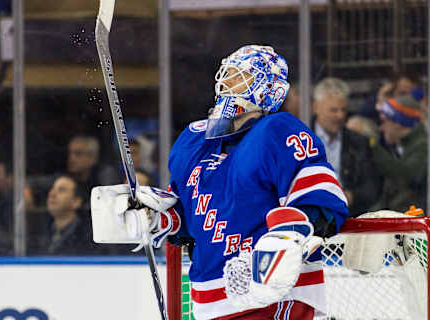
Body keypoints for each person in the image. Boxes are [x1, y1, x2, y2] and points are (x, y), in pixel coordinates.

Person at [97, 45, 349, 319]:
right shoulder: (194, 140)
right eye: (227, 73)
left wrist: (287, 240)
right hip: (209, 300)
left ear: (270, 90)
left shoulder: (277, 130)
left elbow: (322, 201)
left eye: (241, 75)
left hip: (273, 297)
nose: (227, 81)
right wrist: (159, 217)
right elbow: (192, 218)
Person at [312, 77, 380, 217]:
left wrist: (351, 196)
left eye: (343, 110)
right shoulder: (302, 140)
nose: (340, 115)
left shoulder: (359, 142)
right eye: (333, 110)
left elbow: (372, 188)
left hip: (350, 218)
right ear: (316, 107)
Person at [371, 94, 427, 212]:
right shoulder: (400, 146)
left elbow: (407, 175)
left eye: (385, 121)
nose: (381, 128)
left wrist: (372, 146)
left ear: (398, 121)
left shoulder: (424, 147)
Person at [39, 175, 100, 255]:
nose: (52, 194)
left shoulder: (89, 237)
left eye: (61, 190)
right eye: (52, 189)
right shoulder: (41, 231)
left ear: (76, 202)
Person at [67, 135, 120, 210]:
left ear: (93, 157)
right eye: (70, 153)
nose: (71, 158)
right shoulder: (70, 179)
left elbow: (108, 205)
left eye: (77, 154)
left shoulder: (106, 175)